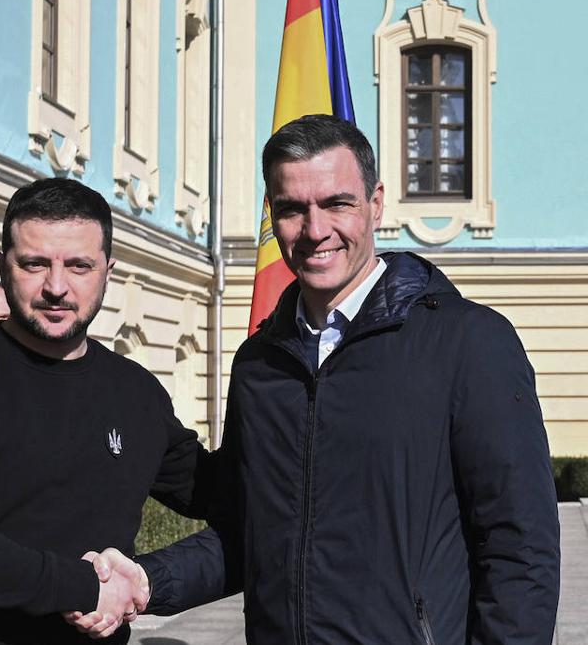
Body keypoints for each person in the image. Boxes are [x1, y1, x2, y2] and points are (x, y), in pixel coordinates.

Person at [77, 114, 561, 643]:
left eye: (337, 204)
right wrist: (147, 581)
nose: (315, 231)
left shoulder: (468, 342)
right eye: (292, 209)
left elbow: (521, 549)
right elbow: (249, 536)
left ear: (376, 203)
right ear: (272, 214)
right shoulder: (259, 364)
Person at [0, 177, 209, 644]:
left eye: (79, 266)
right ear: (3, 266)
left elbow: (218, 491)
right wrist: (80, 587)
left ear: (108, 271)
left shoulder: (136, 392)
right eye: (34, 264)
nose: (56, 287)